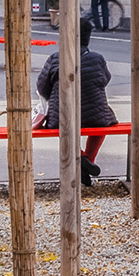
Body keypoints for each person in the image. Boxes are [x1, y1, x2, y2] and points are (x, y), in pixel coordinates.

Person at [35, 17, 117, 185]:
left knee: (62, 128)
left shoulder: (55, 58)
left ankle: (82, 158)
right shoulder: (97, 59)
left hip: (61, 117)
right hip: (95, 117)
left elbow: (42, 88)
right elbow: (105, 79)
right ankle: (89, 160)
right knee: (102, 124)